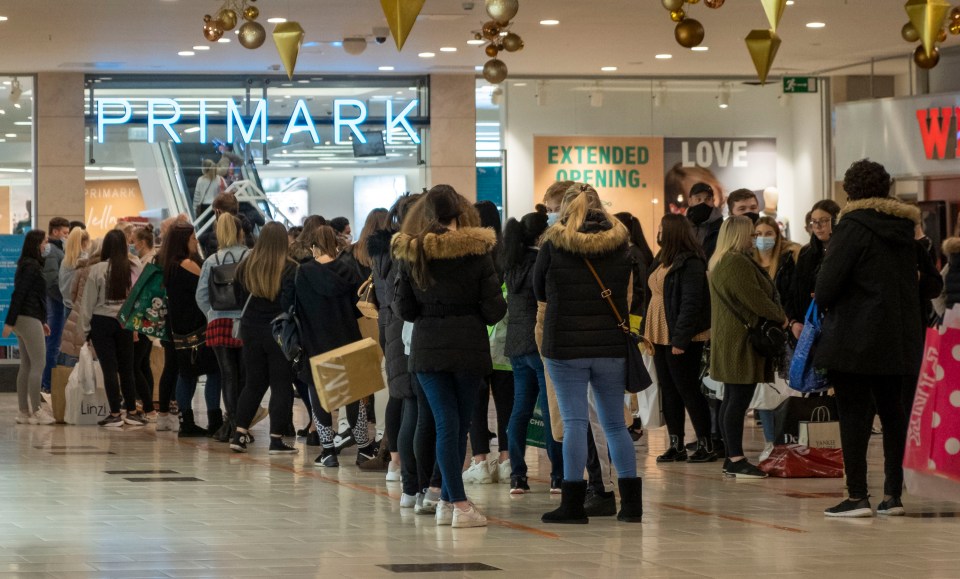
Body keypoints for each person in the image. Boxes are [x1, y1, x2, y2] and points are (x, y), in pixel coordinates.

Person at [393, 185, 507, 529]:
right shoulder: (477, 251)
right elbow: (494, 310)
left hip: (426, 349)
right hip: (468, 347)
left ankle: (445, 499)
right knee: (455, 426)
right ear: (460, 213)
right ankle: (456, 502)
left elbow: (406, 309)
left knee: (446, 422)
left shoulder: (412, 252)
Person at [815, 160, 922, 518]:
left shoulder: (852, 227)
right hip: (899, 336)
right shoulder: (905, 228)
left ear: (849, 191)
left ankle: (857, 495)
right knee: (893, 414)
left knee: (854, 415)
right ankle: (893, 495)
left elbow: (827, 285)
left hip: (855, 338)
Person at [534, 183, 642, 524]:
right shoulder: (621, 240)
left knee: (575, 423)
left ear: (564, 209)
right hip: (611, 344)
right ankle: (632, 506)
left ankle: (572, 505)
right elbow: (628, 290)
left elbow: (539, 289)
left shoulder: (553, 240)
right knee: (614, 424)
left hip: (564, 345)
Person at [370, 194, 443, 510]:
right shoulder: (409, 252)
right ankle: (419, 485)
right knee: (420, 412)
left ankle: (408, 484)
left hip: (392, 329)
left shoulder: (383, 251)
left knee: (407, 405)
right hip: (410, 332)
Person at [708, 216, 786, 478]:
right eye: (751, 235)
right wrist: (781, 317)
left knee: (732, 399)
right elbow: (756, 299)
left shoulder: (723, 260)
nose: (755, 239)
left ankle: (732, 456)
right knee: (737, 401)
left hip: (731, 338)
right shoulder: (736, 262)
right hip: (740, 341)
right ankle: (735, 458)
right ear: (738, 235)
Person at [295, 225, 377, 466]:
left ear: (313, 247)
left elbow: (296, 308)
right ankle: (364, 448)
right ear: (335, 244)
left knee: (319, 395)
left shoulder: (303, 272)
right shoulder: (348, 269)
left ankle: (328, 452)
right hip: (347, 338)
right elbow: (358, 308)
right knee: (354, 394)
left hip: (314, 341)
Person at [502, 208, 563, 494]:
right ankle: (558, 476)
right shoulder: (542, 260)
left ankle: (518, 476)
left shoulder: (511, 263)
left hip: (515, 345)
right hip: (539, 343)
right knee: (552, 410)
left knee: (520, 409)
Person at [644, 214, 714, 463]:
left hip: (681, 335)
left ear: (672, 232)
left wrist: (681, 340)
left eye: (662, 229)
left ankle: (706, 443)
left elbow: (691, 304)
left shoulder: (691, 263)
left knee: (688, 390)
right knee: (668, 390)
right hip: (659, 332)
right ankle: (676, 444)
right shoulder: (662, 258)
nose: (658, 232)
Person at [230, 222, 298, 455]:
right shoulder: (290, 268)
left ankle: (239, 433)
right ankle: (276, 439)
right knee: (281, 385)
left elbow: (238, 300)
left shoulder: (244, 267)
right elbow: (291, 304)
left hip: (251, 331)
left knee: (253, 383)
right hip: (278, 333)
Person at [463, 200, 514, 486]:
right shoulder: (509, 254)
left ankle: (480, 461)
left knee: (475, 404)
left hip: (476, 340)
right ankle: (508, 461)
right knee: (508, 404)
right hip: (506, 341)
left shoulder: (471, 254)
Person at [77, 230, 146, 428]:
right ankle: (132, 412)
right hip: (125, 322)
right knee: (127, 369)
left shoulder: (97, 269)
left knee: (109, 369)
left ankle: (115, 413)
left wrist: (85, 331)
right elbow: (138, 299)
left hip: (101, 323)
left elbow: (88, 303)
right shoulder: (133, 267)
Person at [160, 223, 222, 437]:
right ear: (183, 241)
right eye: (192, 237)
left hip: (178, 329)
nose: (196, 241)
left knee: (185, 374)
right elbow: (206, 289)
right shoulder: (188, 264)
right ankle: (215, 419)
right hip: (197, 329)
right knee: (214, 371)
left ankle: (186, 421)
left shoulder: (170, 264)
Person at [751, 215, 801, 461]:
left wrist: (788, 320)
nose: (763, 239)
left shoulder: (787, 261)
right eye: (758, 234)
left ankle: (786, 442)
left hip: (785, 331)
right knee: (764, 392)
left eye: (768, 234)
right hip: (760, 335)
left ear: (777, 235)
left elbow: (792, 295)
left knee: (786, 390)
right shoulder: (749, 262)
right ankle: (770, 443)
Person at [196, 214, 248, 442]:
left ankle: (232, 422)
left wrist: (212, 313)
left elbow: (201, 296)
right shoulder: (250, 257)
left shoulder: (212, 260)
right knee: (245, 376)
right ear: (240, 232)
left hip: (219, 322)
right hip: (246, 322)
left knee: (227, 375)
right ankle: (242, 426)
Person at [4, 230, 55, 425]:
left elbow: (31, 296)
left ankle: (24, 411)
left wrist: (41, 322)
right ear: (36, 244)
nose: (46, 246)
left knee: (26, 364)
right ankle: (37, 410)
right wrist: (9, 321)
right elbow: (20, 294)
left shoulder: (26, 265)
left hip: (27, 319)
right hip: (27, 318)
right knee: (38, 364)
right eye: (44, 242)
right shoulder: (32, 267)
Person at [786, 200, 841, 340]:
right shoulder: (806, 253)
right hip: (809, 324)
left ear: (836, 220)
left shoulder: (845, 251)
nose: (818, 226)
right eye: (814, 222)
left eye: (823, 221)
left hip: (837, 324)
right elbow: (794, 292)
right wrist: (793, 321)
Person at [130, 226, 158, 421]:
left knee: (135, 365)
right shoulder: (144, 261)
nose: (132, 245)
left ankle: (148, 406)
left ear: (141, 243)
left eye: (133, 241)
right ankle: (146, 404)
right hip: (146, 320)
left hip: (144, 319)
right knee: (143, 364)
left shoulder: (148, 263)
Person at [41, 217, 70, 394]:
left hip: (56, 303)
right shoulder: (52, 250)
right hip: (56, 304)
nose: (66, 236)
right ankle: (48, 385)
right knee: (53, 344)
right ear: (55, 232)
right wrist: (64, 299)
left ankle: (49, 384)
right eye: (65, 233)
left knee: (53, 344)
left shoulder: (57, 249)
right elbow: (51, 281)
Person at [686, 183, 724, 259]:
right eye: (698, 199)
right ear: (690, 201)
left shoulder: (722, 227)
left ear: (713, 201)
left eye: (707, 199)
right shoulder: (682, 227)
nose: (703, 203)